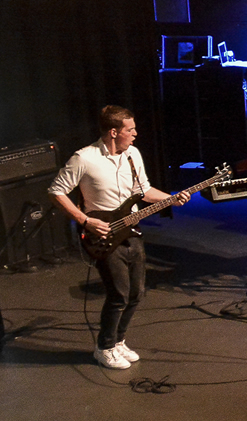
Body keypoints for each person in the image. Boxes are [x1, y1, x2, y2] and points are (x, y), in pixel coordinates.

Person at [49, 105, 190, 369]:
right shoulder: (84, 158)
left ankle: (118, 341)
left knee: (137, 293)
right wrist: (85, 220)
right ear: (114, 132)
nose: (135, 133)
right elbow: (56, 192)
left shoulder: (133, 155)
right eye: (130, 129)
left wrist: (172, 199)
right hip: (102, 235)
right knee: (119, 294)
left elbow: (144, 191)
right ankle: (104, 347)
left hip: (132, 231)